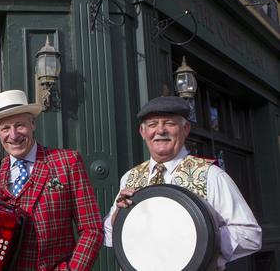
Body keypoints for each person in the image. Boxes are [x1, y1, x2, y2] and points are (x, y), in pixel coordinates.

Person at [103, 95, 262, 270]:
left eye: (169, 123)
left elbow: (251, 236)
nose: (160, 130)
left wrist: (200, 235)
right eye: (152, 125)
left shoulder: (211, 175)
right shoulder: (129, 177)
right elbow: (111, 238)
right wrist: (118, 218)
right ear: (142, 132)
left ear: (185, 129)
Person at [0, 90, 103, 271]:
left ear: (33, 124)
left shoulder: (67, 162)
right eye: (5, 128)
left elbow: (92, 229)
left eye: (20, 125)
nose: (13, 135)